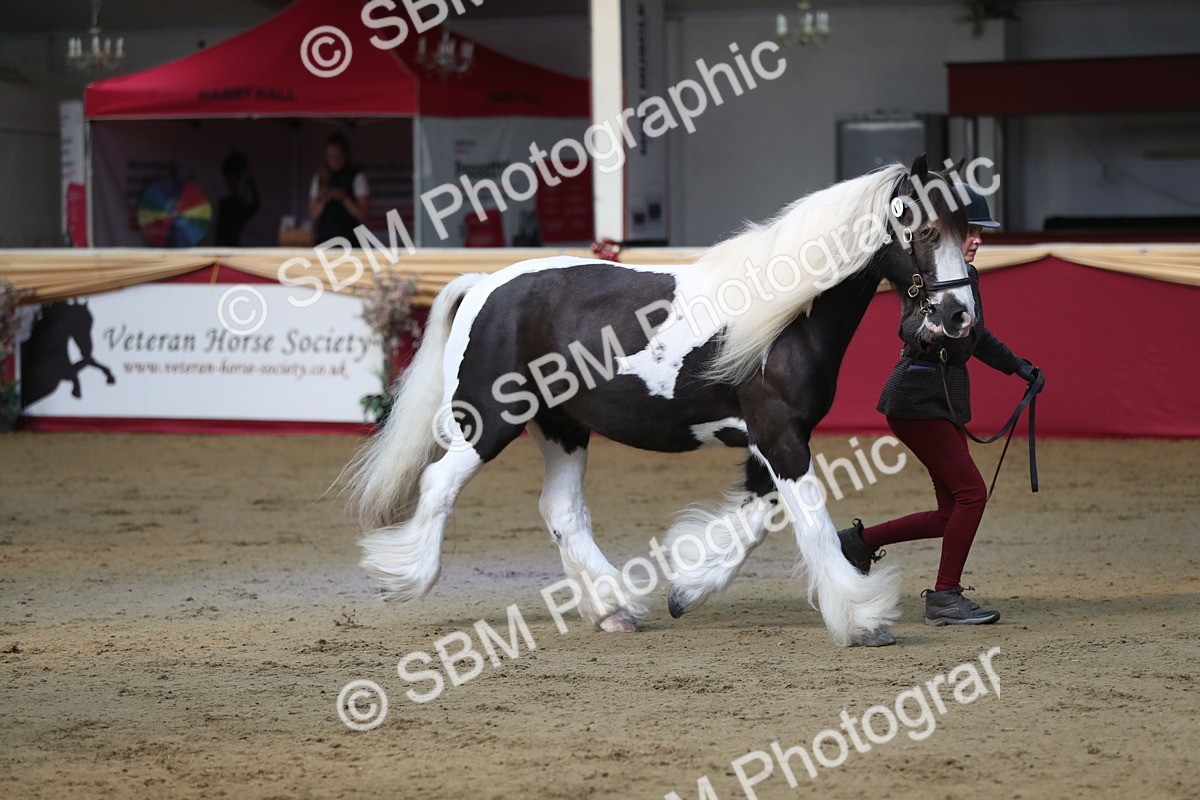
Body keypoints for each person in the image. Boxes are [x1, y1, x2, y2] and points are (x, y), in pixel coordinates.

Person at [838, 183, 1043, 627]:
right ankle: (945, 596)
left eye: (980, 232)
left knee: (951, 511)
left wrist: (1019, 367)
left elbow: (978, 335)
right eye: (970, 231)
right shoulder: (927, 276)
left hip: (943, 401)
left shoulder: (967, 278)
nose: (977, 240)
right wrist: (928, 334)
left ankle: (858, 542)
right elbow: (909, 328)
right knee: (972, 495)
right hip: (916, 400)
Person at [308, 132, 369, 243]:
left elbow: (363, 215)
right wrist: (324, 199)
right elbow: (312, 214)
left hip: (350, 241)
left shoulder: (357, 177)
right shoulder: (320, 178)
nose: (334, 160)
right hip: (325, 241)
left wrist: (345, 198)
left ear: (345, 155)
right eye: (331, 156)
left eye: (338, 156)